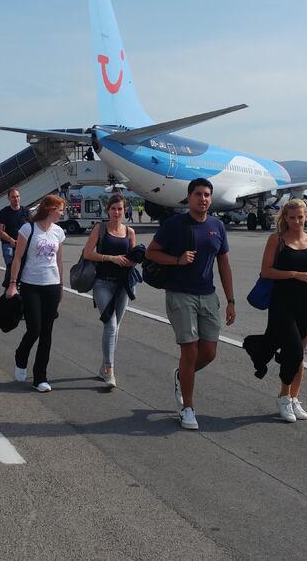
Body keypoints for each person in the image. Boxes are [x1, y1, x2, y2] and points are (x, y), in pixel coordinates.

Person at [145, 178, 235, 430]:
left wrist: (231, 300)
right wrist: (177, 260)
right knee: (190, 351)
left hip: (208, 295)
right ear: (189, 197)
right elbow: (151, 253)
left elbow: (224, 264)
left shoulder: (217, 226)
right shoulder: (175, 224)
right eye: (198, 194)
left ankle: (182, 375)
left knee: (209, 352)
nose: (203, 199)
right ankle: (188, 408)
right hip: (180, 294)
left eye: (207, 195)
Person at [259, 198, 307, 423]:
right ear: (285, 217)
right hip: (281, 303)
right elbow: (266, 271)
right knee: (293, 351)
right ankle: (283, 397)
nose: (296, 222)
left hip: (304, 304)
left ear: (306, 217)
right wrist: (294, 274)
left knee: (300, 354)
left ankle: (294, 398)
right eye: (292, 217)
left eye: (300, 217)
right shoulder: (276, 240)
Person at [7, 194, 66, 392]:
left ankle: (40, 377)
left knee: (47, 332)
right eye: (60, 210)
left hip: (52, 285)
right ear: (50, 209)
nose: (62, 213)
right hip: (31, 284)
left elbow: (59, 261)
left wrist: (61, 285)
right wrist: (13, 283)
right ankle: (21, 355)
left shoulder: (58, 232)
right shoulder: (28, 229)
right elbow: (17, 258)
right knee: (35, 329)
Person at [82, 194, 136, 389]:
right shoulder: (100, 228)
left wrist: (135, 259)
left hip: (123, 285)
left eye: (120, 209)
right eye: (113, 208)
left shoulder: (129, 231)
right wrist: (110, 258)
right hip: (102, 283)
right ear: (108, 210)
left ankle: (104, 365)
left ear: (124, 211)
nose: (117, 212)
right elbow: (88, 253)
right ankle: (110, 369)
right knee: (111, 325)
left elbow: (133, 258)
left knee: (115, 327)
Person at [0, 188, 30, 287]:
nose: (16, 199)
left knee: (23, 265)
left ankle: (14, 285)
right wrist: (11, 240)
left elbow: (31, 228)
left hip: (23, 243)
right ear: (8, 198)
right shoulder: (4, 212)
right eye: (13, 197)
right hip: (9, 243)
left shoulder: (26, 211)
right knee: (11, 263)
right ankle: (9, 285)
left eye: (17, 196)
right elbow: (0, 231)